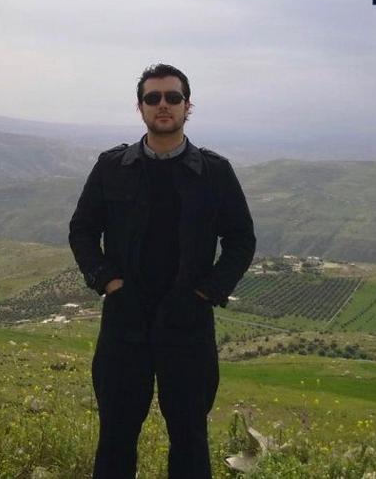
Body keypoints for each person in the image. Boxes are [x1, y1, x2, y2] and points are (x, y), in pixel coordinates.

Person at [68, 63, 256, 479]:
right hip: (124, 320)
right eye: (153, 98)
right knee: (116, 435)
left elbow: (241, 240)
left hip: (187, 324)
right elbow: (82, 230)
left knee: (189, 437)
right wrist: (108, 282)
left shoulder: (214, 173)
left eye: (173, 97)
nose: (163, 105)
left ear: (188, 106)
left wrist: (206, 293)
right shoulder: (112, 167)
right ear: (140, 107)